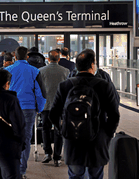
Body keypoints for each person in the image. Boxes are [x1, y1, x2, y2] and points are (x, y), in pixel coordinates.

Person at [49, 49, 120, 179]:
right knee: (95, 175)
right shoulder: (104, 86)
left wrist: (63, 131)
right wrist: (107, 134)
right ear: (93, 65)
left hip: (72, 139)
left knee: (76, 175)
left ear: (76, 65)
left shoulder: (65, 86)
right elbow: (114, 115)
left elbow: (53, 114)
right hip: (97, 141)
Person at [4, 46, 46, 179]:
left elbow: (1, 91)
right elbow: (41, 93)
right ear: (27, 56)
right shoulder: (35, 71)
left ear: (14, 57)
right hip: (28, 108)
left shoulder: (7, 70)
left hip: (11, 108)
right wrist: (39, 108)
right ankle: (21, 170)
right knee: (26, 138)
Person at [39, 50, 69, 167]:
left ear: (48, 58)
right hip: (60, 106)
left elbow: (39, 89)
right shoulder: (65, 71)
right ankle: (57, 157)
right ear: (59, 59)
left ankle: (47, 153)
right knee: (58, 130)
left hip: (46, 105)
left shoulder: (41, 71)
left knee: (45, 128)